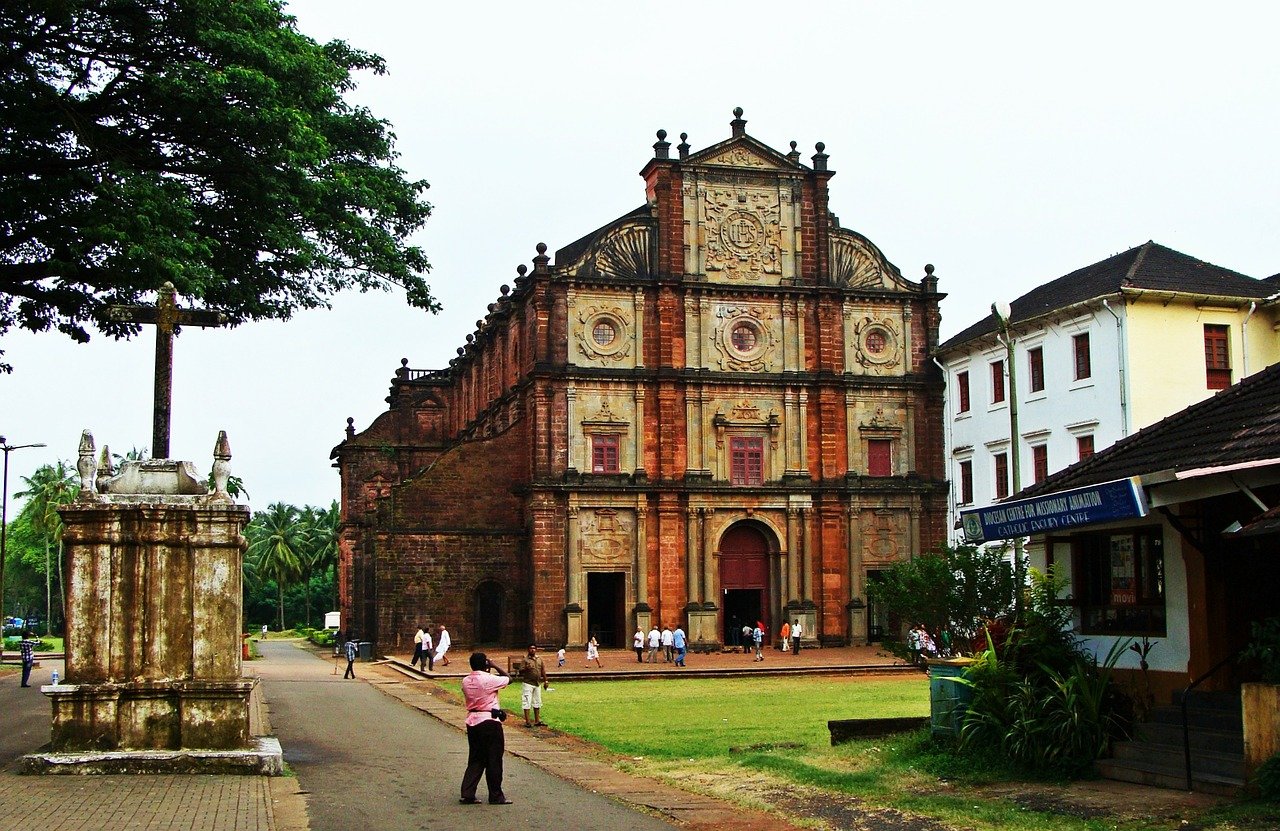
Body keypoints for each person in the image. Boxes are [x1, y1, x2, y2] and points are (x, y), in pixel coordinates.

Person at [459, 652, 513, 805]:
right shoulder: (488, 679)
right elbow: (510, 679)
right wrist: (494, 665)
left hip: (472, 721)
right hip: (489, 721)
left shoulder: (466, 681)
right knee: (494, 759)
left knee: (476, 758)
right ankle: (496, 795)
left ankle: (467, 793)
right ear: (485, 664)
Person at [518, 645, 548, 727]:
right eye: (531, 648)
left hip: (537, 683)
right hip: (528, 683)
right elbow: (520, 671)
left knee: (537, 702)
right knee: (527, 701)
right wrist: (526, 669)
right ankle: (527, 721)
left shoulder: (539, 659)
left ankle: (537, 720)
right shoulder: (525, 660)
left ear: (536, 650)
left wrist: (546, 680)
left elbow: (543, 670)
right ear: (528, 650)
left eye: (534, 648)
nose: (532, 650)